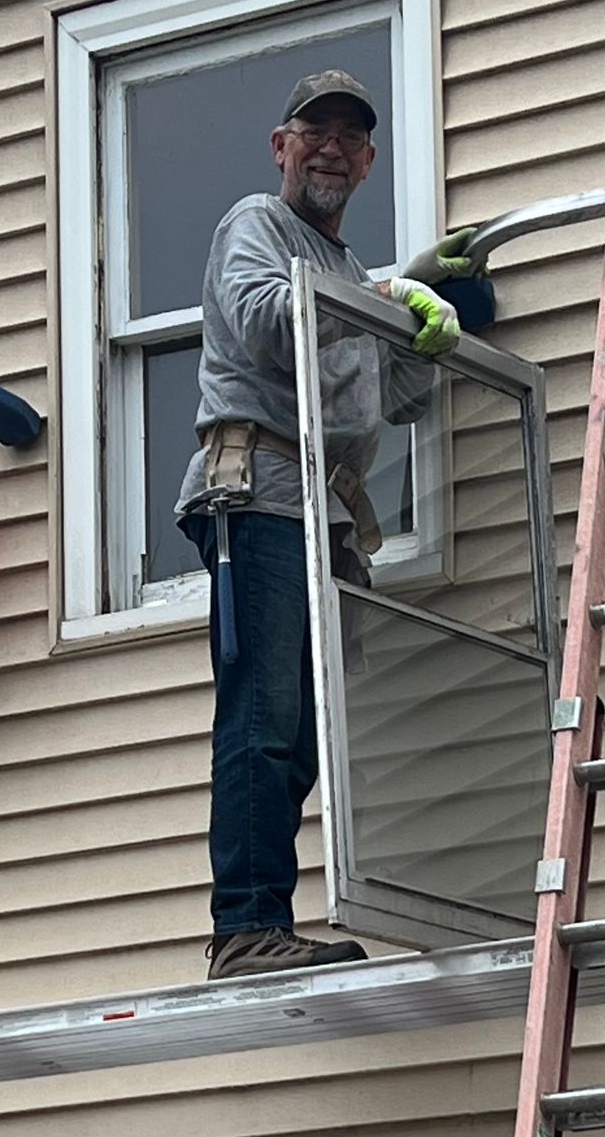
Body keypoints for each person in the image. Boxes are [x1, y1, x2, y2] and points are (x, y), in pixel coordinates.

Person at [176, 71, 478, 980]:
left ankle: (271, 915)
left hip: (325, 520)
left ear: (370, 160)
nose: (332, 149)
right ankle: (246, 927)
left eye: (351, 137)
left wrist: (433, 332)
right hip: (257, 492)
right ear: (282, 146)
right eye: (316, 131)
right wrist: (392, 295)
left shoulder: (347, 272)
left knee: (308, 733)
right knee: (262, 715)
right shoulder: (255, 227)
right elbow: (272, 320)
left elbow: (399, 400)